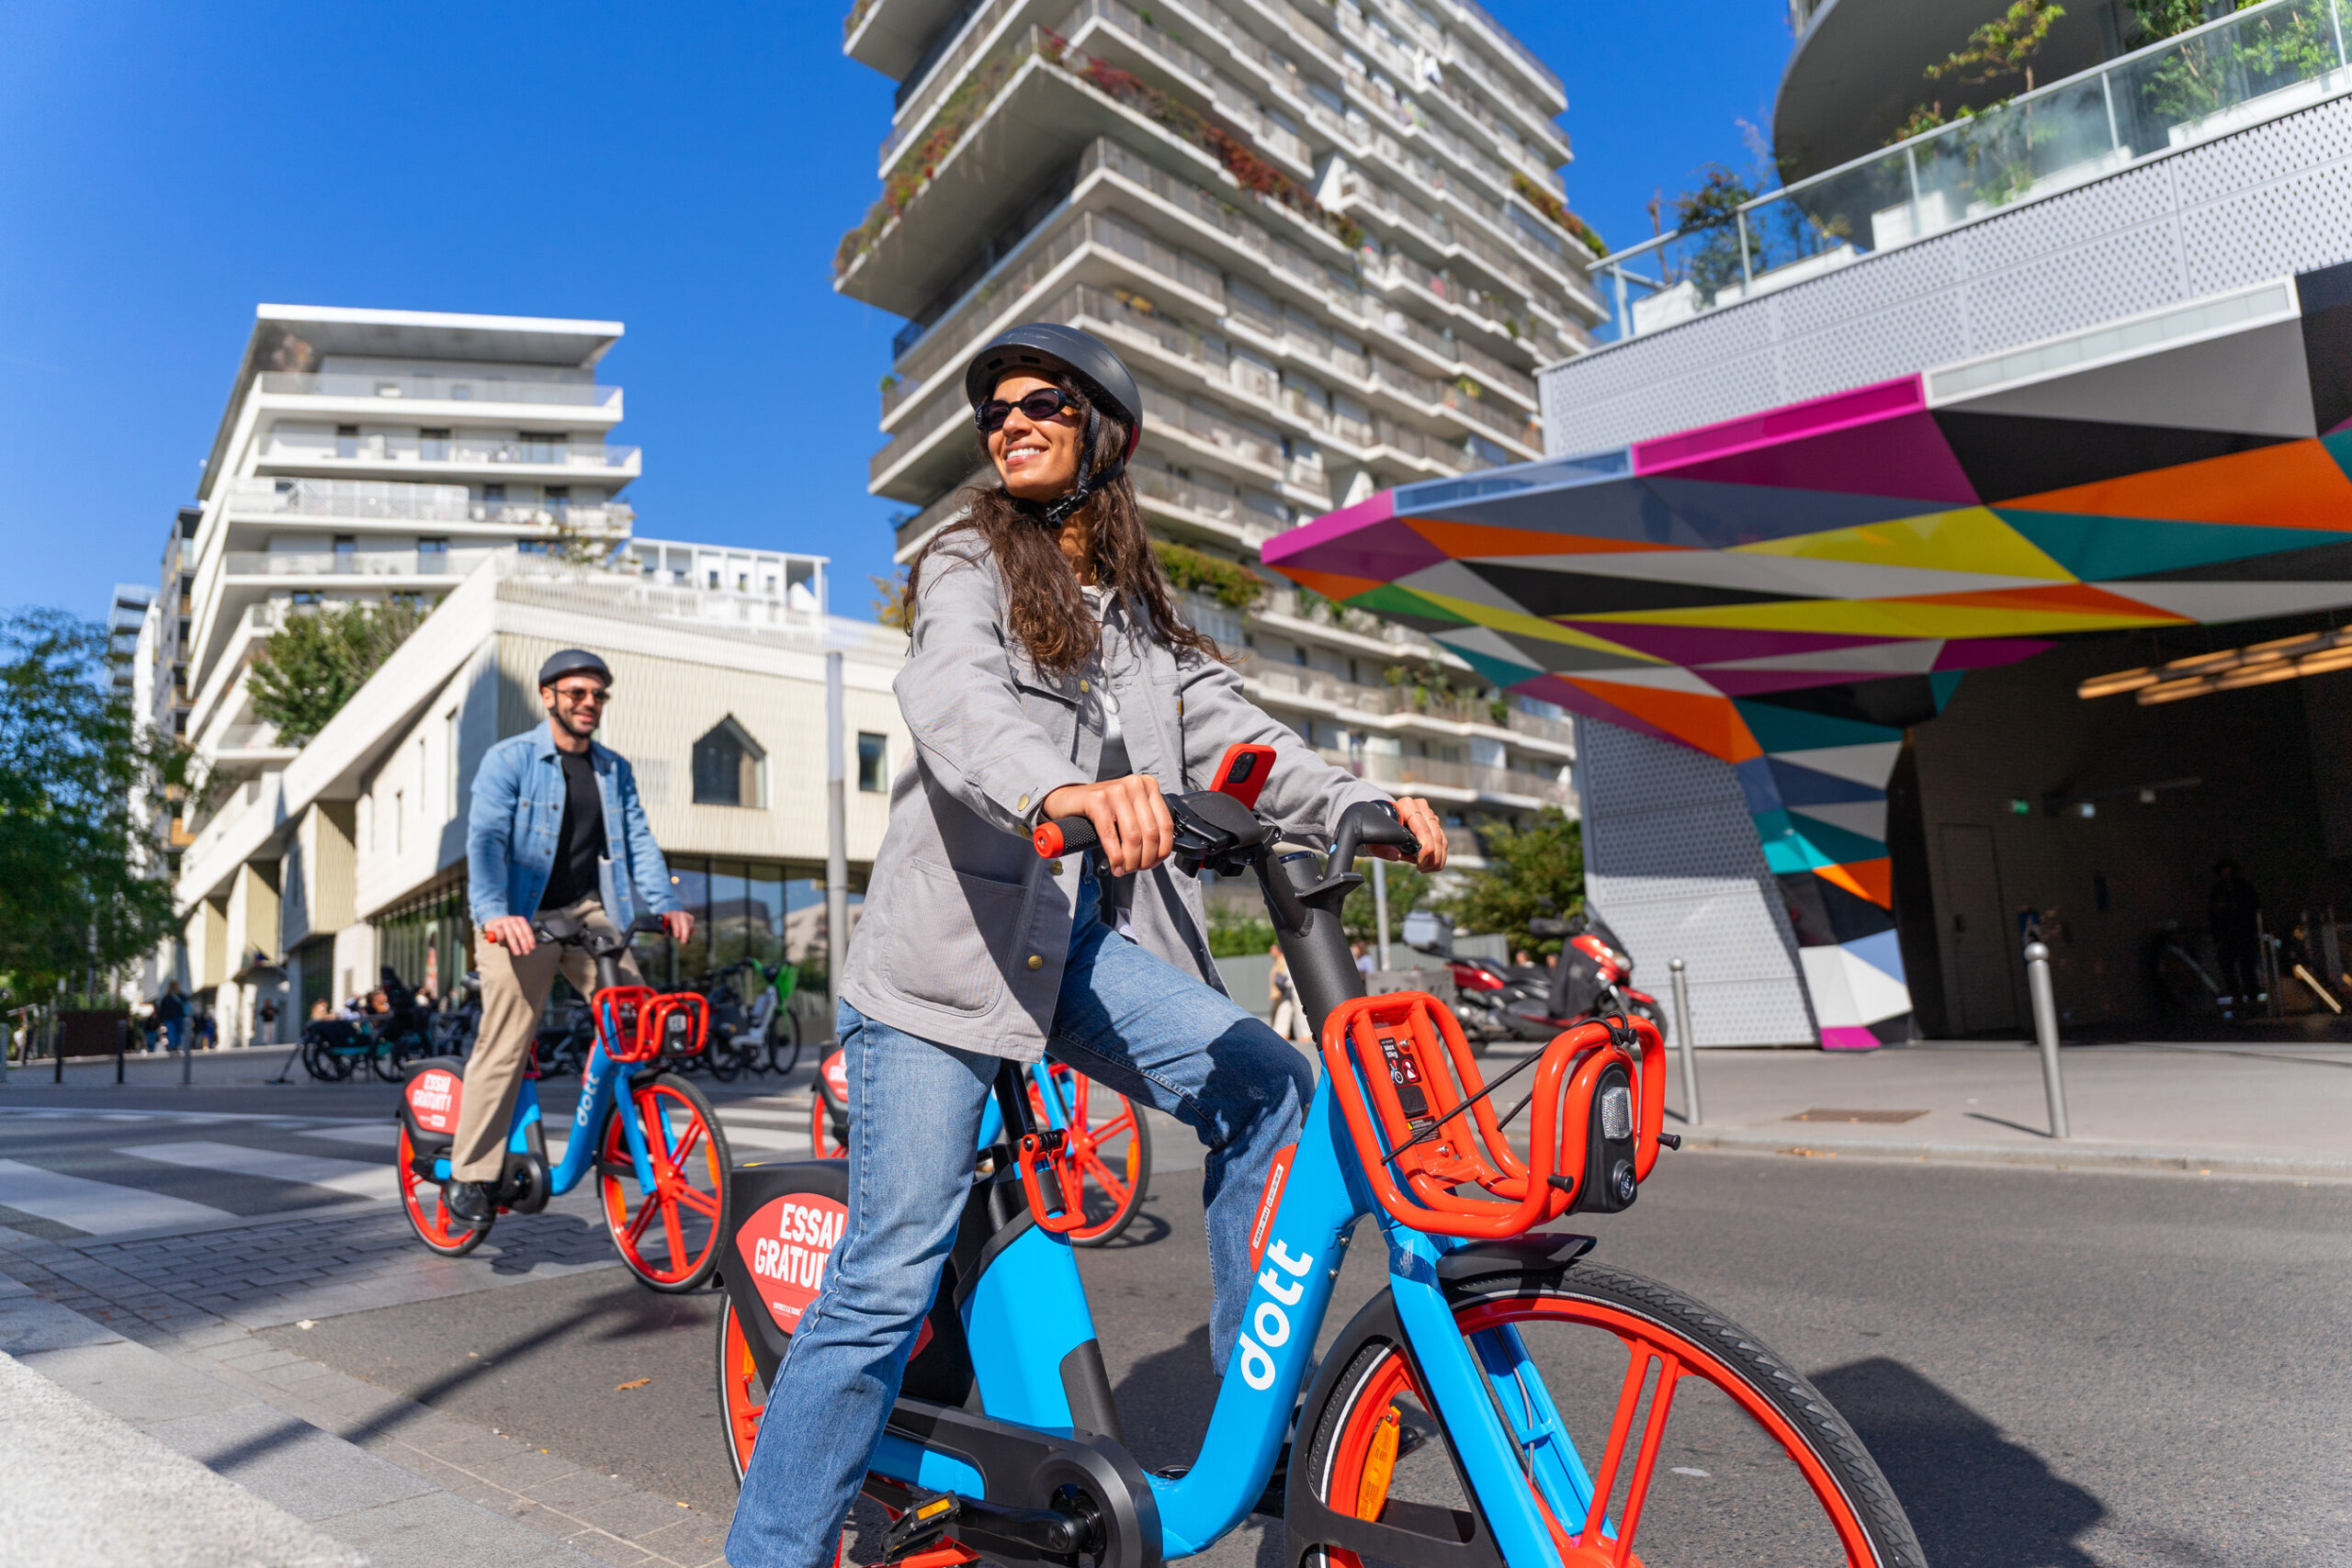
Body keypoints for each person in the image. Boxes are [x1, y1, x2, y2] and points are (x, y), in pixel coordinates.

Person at [725, 323, 1448, 1568]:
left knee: (1273, 1088)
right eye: (994, 406)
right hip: (944, 969)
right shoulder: (968, 557)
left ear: (1104, 431)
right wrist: (1058, 790)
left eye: (1040, 400)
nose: (1009, 418)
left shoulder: (1137, 630)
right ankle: (771, 1546)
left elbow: (1244, 740)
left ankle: (1256, 1411)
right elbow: (956, 692)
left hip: (1074, 958)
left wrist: (1357, 801)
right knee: (889, 1267)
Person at [452, 649, 693, 1224]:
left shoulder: (612, 768)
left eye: (598, 695)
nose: (589, 704)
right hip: (518, 913)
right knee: (507, 1037)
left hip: (586, 912)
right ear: (549, 697)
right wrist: (492, 913)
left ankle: (643, 1147)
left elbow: (637, 839)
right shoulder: (509, 759)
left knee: (638, 1023)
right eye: (577, 694)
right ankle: (471, 1173)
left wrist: (665, 905)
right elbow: (484, 840)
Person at [2209, 858, 2264, 1015]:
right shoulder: (2219, 889)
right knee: (2230, 967)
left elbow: (2251, 906)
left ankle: (2250, 996)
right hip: (2229, 934)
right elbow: (2214, 912)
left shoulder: (2242, 887)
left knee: (2246, 967)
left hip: (2242, 933)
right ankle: (2238, 996)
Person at [1268, 940, 1308, 1045]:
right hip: (1288, 989)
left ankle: (1307, 1035)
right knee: (1284, 1009)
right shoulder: (1283, 959)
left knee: (1301, 1012)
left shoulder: (1285, 959)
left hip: (1293, 989)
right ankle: (1281, 1033)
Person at [153, 981, 187, 1057]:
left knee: (171, 1032)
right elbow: (186, 1002)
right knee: (178, 1033)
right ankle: (176, 1047)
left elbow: (162, 1010)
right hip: (178, 1017)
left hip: (169, 1018)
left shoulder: (166, 998)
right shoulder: (180, 996)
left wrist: (161, 1020)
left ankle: (171, 1048)